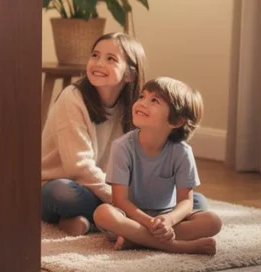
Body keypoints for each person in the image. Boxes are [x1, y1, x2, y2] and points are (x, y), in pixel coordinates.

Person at [93, 77, 223, 255]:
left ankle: (137, 239)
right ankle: (175, 246)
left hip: (166, 218)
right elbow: (120, 201)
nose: (142, 103)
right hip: (131, 217)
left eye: (154, 100)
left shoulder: (182, 152)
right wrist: (149, 223)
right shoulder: (122, 147)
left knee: (213, 221)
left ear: (176, 122)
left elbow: (185, 201)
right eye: (142, 96)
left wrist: (169, 220)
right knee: (103, 213)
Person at [40, 32, 146, 236]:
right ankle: (117, 218)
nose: (98, 63)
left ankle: (88, 220)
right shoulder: (72, 99)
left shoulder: (134, 107)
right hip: (63, 184)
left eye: (110, 59)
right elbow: (78, 168)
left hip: (102, 188)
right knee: (62, 193)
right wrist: (124, 202)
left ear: (130, 75)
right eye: (95, 55)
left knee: (194, 201)